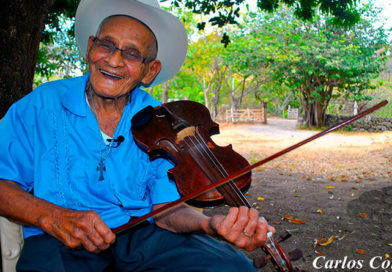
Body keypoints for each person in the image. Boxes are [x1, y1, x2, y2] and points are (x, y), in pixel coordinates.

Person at [0, 0, 274, 271]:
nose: (114, 60)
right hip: (58, 238)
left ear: (150, 71)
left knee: (230, 267)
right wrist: (53, 217)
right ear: (90, 47)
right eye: (106, 45)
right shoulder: (42, 104)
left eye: (132, 54)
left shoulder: (163, 122)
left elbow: (167, 210)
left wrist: (211, 224)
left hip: (142, 236)